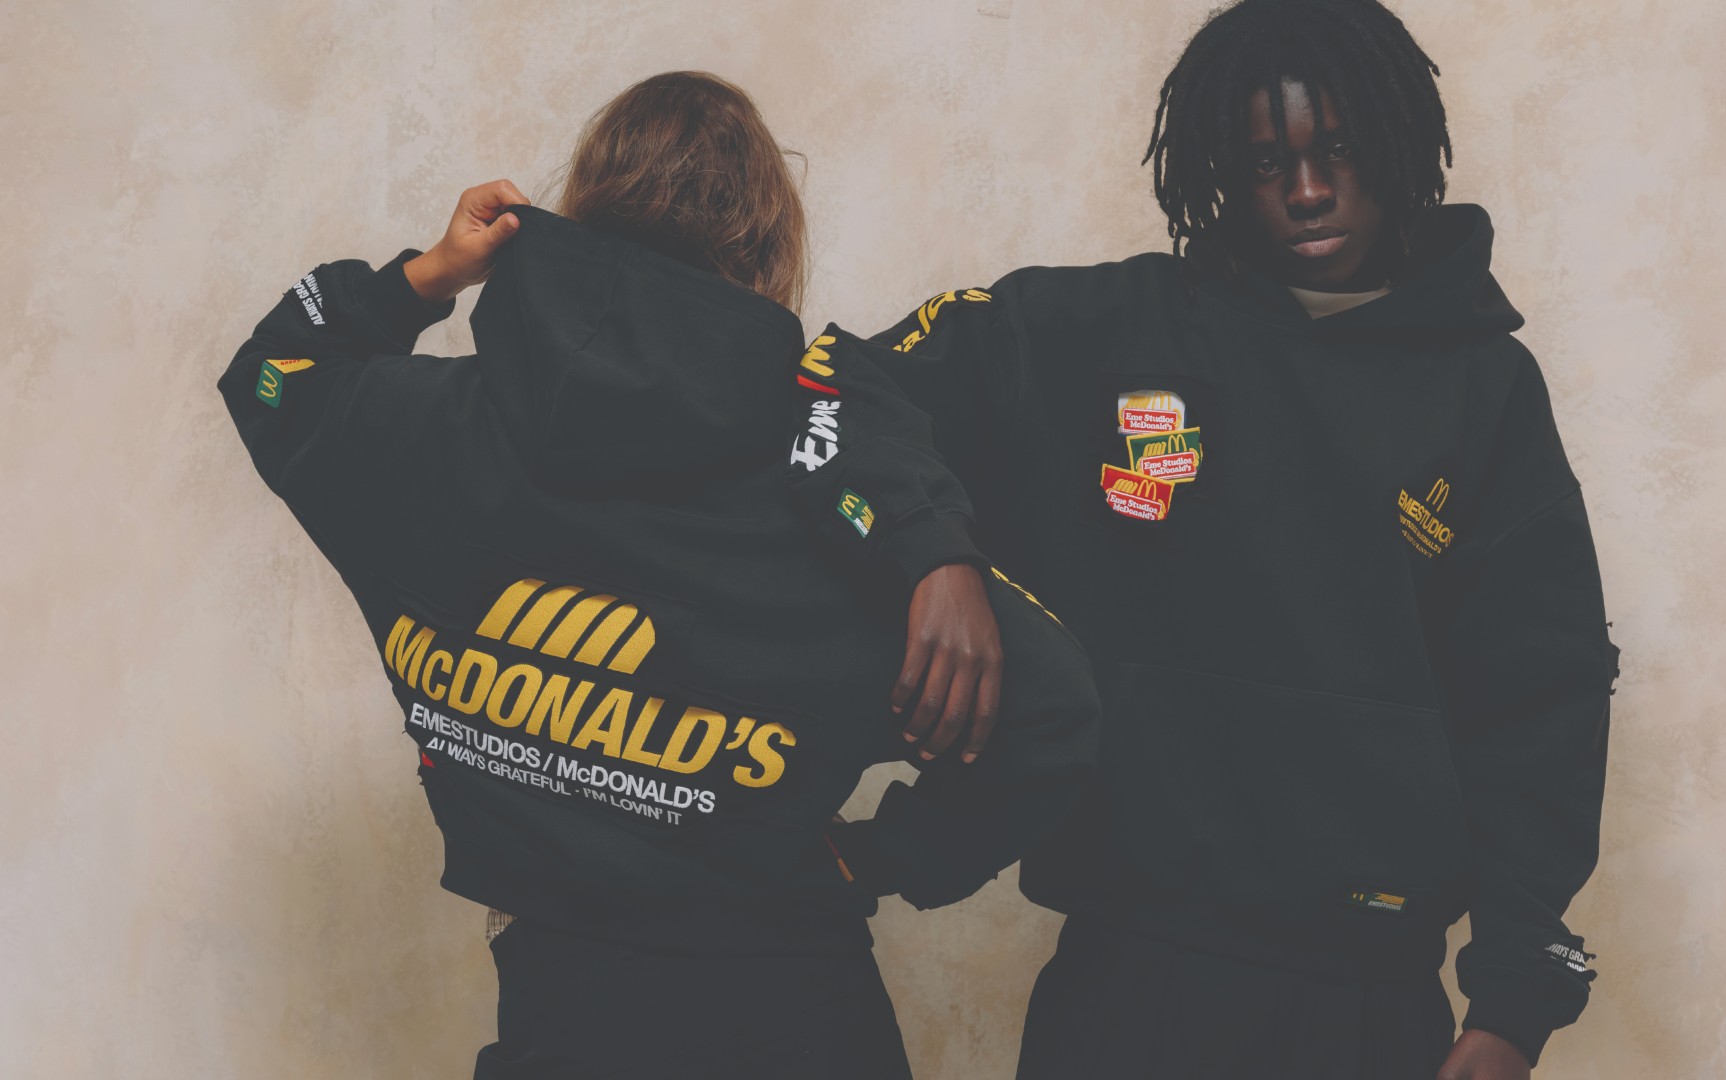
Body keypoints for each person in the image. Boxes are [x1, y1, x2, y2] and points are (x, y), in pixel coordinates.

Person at [786, 2, 1620, 1077]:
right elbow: (838, 384)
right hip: (1127, 982)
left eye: (1337, 150)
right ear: (1223, 166)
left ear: (1396, 140)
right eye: (1268, 161)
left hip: (1369, 999)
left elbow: (1542, 699)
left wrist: (1513, 1004)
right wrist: (931, 553)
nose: (1307, 190)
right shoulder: (1105, 332)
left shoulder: (1484, 387)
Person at [217, 71, 1098, 1079]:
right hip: (800, 1012)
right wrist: (883, 857)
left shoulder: (425, 432)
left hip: (558, 1014)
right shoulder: (836, 487)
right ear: (770, 252)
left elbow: (275, 376)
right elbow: (1053, 712)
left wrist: (428, 275)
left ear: (580, 213)